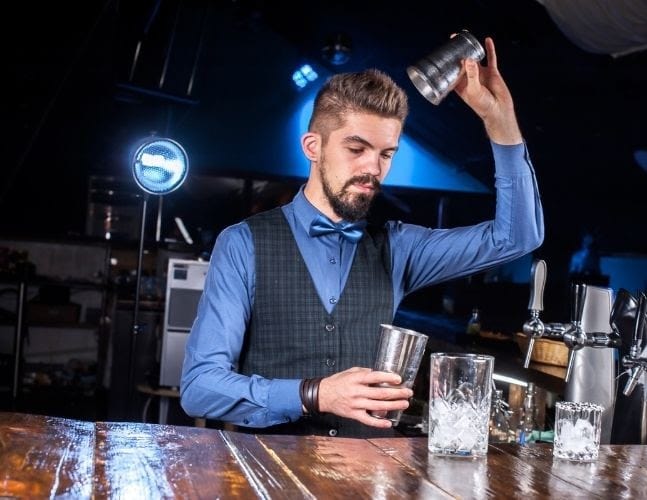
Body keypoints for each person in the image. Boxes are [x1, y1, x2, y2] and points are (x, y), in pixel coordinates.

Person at [180, 36, 544, 437]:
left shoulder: (400, 248)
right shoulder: (243, 244)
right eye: (357, 148)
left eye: (386, 153)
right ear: (312, 147)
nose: (374, 168)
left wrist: (500, 120)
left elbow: (517, 237)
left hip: (371, 477)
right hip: (273, 475)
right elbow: (200, 388)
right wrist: (312, 393)